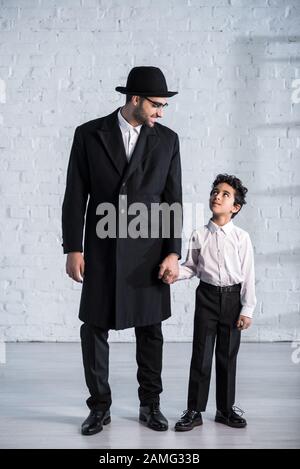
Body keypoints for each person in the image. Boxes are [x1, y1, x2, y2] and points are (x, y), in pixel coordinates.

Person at [61, 66, 182, 435]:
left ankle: (151, 405)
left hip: (148, 251)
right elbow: (74, 196)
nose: (161, 112)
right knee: (93, 327)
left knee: (151, 330)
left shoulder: (168, 140)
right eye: (157, 105)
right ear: (134, 99)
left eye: (163, 106)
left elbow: (173, 199)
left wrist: (173, 252)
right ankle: (99, 408)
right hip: (101, 249)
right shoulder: (88, 134)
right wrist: (73, 248)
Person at [164, 174, 256, 430]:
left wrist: (247, 309)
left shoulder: (242, 238)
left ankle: (225, 410)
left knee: (227, 356)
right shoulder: (199, 234)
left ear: (235, 207)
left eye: (225, 194)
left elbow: (248, 275)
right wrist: (174, 273)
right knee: (201, 355)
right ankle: (194, 411)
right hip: (206, 297)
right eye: (215, 191)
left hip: (232, 300)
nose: (217, 196)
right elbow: (191, 268)